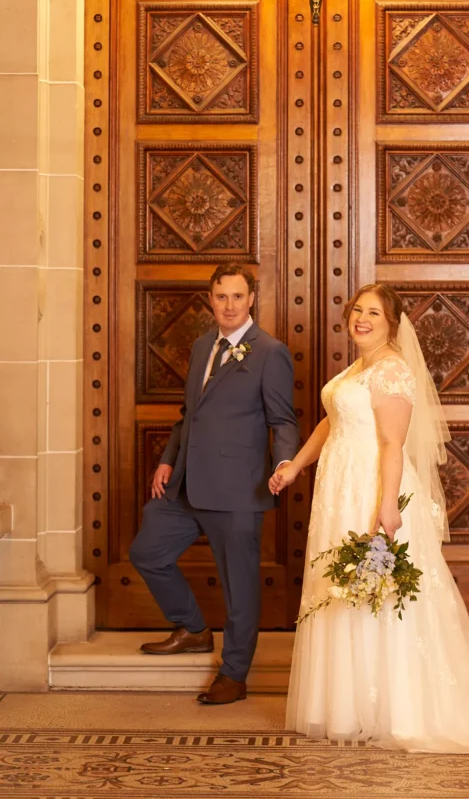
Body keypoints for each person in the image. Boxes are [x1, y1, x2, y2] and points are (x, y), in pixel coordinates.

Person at [270, 283, 469, 753]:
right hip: (338, 488)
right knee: (341, 593)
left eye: (373, 313)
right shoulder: (359, 367)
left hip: (373, 489)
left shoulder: (393, 370)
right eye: (357, 310)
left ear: (392, 323)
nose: (361, 318)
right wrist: (296, 465)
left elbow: (393, 444)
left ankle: (398, 709)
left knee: (375, 593)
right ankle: (344, 704)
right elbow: (331, 421)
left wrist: (388, 504)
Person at [130, 263, 299, 705]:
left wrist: (285, 462)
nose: (229, 305)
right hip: (187, 483)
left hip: (239, 490)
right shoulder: (203, 345)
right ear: (211, 300)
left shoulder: (270, 352)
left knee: (238, 586)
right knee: (147, 551)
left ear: (251, 300)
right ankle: (192, 628)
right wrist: (168, 461)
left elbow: (283, 419)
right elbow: (191, 414)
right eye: (221, 296)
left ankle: (234, 674)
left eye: (237, 296)